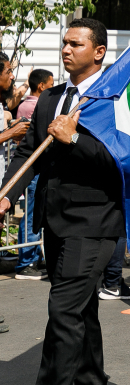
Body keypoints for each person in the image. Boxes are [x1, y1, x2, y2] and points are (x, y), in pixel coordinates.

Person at [0, 18, 122, 385]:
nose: (66, 49)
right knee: (80, 312)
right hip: (53, 222)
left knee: (63, 312)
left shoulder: (115, 99)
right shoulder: (51, 98)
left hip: (94, 223)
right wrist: (6, 195)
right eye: (64, 43)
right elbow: (28, 154)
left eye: (75, 44)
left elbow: (122, 163)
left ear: (99, 52)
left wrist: (76, 140)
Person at [14, 69, 54, 280]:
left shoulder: (25, 105)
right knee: (31, 214)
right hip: (34, 167)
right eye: (50, 85)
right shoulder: (36, 106)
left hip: (35, 167)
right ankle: (26, 262)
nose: (52, 89)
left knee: (33, 213)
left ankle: (32, 257)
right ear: (41, 86)